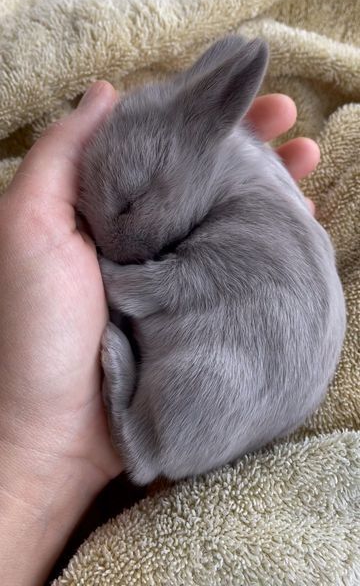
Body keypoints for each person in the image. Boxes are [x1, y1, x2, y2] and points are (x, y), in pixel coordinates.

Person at [0, 81, 320, 585]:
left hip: (225, 393)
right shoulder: (236, 190)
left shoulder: (249, 230)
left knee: (207, 378)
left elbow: (185, 283)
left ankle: (142, 439)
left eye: (126, 209)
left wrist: (118, 277)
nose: (110, 236)